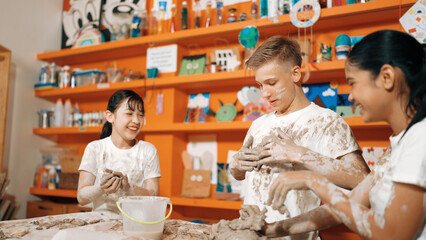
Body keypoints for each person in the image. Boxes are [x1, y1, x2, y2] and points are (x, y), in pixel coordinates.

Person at [266, 30, 426, 239]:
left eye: (353, 83)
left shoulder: (420, 138)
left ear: (387, 78)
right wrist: (273, 229)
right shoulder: (400, 143)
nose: (350, 96)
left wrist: (313, 180)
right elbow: (347, 206)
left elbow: (393, 234)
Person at [229, 36, 370, 239]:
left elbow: (362, 179)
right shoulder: (258, 124)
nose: (265, 94)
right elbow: (238, 173)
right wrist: (237, 164)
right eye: (260, 85)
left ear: (295, 73)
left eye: (271, 83)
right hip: (251, 234)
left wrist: (300, 154)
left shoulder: (326, 122)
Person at [77, 89, 161, 213]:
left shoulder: (148, 151)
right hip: (102, 223)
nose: (137, 121)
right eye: (129, 113)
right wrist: (101, 188)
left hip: (136, 223)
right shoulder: (95, 148)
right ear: (110, 116)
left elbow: (154, 196)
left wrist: (129, 188)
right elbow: (81, 198)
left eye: (140, 115)